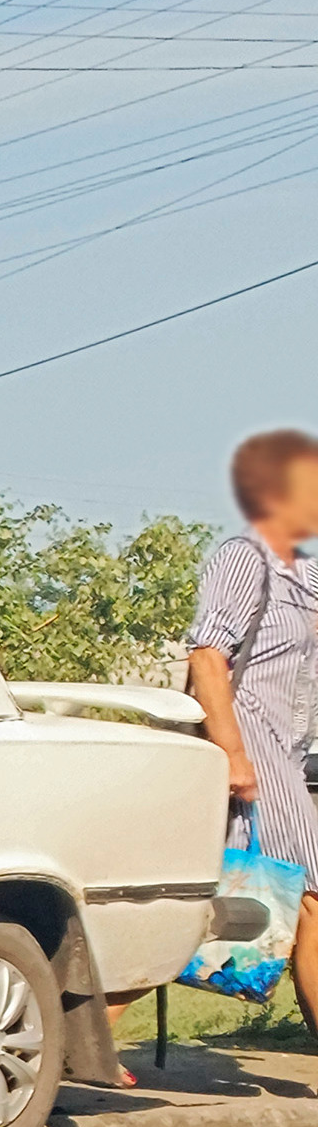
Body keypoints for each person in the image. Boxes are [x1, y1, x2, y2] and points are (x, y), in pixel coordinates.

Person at [182, 429, 318, 1043]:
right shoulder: (244, 558)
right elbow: (209, 654)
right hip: (253, 755)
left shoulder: (303, 575)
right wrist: (233, 756)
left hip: (285, 757)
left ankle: (82, 1041)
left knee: (197, 902)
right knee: (313, 898)